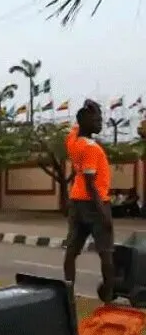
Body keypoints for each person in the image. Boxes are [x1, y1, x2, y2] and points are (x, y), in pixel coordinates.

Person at [64, 99, 114, 302]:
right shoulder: (91, 148)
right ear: (86, 121)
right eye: (97, 119)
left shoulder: (73, 141)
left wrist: (89, 107)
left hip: (76, 202)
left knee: (72, 251)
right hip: (96, 203)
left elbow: (76, 125)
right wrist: (103, 213)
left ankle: (68, 293)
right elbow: (91, 182)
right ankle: (109, 297)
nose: (101, 122)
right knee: (106, 252)